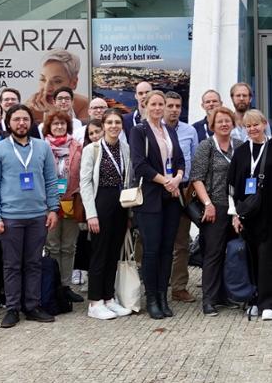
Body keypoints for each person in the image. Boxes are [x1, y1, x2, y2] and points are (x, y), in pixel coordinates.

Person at [0, 104, 60, 328]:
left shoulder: (42, 147)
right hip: (10, 217)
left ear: (31, 122)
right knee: (11, 265)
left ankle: (33, 305)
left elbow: (51, 180)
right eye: (16, 119)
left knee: (34, 263)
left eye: (25, 119)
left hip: (38, 215)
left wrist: (53, 208)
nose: (21, 123)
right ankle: (12, 308)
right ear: (8, 123)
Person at [228, 109, 272, 321]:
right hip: (248, 214)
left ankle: (270, 302)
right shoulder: (240, 152)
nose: (252, 129)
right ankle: (255, 299)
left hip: (271, 212)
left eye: (256, 124)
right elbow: (231, 187)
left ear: (264, 124)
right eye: (248, 126)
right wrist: (235, 215)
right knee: (252, 258)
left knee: (269, 258)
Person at [128, 89, 186, 320]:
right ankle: (151, 297)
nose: (157, 108)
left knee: (166, 248)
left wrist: (178, 178)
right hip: (151, 196)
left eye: (161, 104)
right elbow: (139, 165)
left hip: (171, 198)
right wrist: (165, 182)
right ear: (145, 105)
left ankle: (163, 295)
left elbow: (180, 160)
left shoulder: (169, 130)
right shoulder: (138, 131)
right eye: (153, 104)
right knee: (151, 250)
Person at [79, 109, 134, 320]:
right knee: (100, 253)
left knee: (113, 253)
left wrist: (128, 213)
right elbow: (85, 182)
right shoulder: (92, 150)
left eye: (117, 122)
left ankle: (109, 297)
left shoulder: (125, 149)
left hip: (120, 204)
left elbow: (127, 179)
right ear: (103, 126)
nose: (113, 126)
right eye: (109, 122)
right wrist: (90, 214)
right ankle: (95, 301)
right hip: (100, 202)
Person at [190, 108, 239, 316]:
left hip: (235, 207)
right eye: (219, 121)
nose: (224, 124)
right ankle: (208, 300)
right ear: (213, 125)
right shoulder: (206, 146)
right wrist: (208, 204)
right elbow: (197, 178)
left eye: (227, 120)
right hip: (214, 206)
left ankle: (223, 295)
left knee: (230, 253)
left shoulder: (239, 146)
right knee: (213, 253)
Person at [43, 110, 84, 305]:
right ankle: (54, 284)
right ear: (48, 127)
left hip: (71, 201)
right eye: (55, 124)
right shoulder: (42, 147)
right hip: (48, 204)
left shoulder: (77, 147)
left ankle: (66, 285)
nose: (59, 127)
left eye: (62, 124)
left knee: (69, 246)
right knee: (52, 246)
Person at [165, 92, 200, 305]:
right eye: (170, 105)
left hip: (183, 192)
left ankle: (178, 287)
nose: (174, 109)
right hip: (161, 190)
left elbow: (195, 163)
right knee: (160, 242)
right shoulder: (154, 130)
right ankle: (159, 285)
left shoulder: (190, 131)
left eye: (178, 106)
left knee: (181, 243)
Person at [27, 50, 90, 124]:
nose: (47, 88)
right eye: (43, 79)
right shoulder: (31, 109)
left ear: (73, 83)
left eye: (57, 81)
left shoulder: (83, 105)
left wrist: (54, 113)